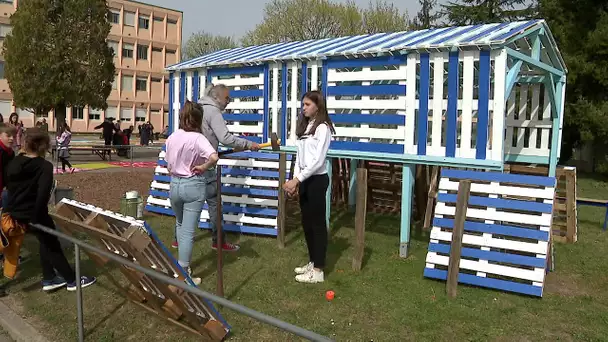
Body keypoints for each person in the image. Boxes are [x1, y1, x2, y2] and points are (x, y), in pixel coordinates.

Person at [2, 128, 97, 293]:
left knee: (45, 241)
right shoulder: (43, 166)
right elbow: (43, 195)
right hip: (33, 213)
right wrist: (36, 218)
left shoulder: (15, 162)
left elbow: (10, 187)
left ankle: (49, 277)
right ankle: (71, 280)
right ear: (43, 146)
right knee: (52, 245)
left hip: (14, 212)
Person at [169, 84, 260, 252]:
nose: (228, 102)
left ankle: (177, 239)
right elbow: (225, 138)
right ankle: (218, 241)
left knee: (184, 210)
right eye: (227, 98)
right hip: (206, 168)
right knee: (215, 204)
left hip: (188, 169)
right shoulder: (213, 111)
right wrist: (249, 144)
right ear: (216, 97)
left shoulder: (196, 109)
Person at [282, 90, 335, 284]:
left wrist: (298, 180)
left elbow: (318, 160)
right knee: (307, 223)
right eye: (303, 104)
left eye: (307, 105)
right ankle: (313, 262)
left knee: (318, 224)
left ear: (318, 106)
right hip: (304, 179)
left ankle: (319, 270)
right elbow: (300, 156)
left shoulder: (323, 128)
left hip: (317, 180)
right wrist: (296, 178)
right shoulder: (306, 127)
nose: (303, 108)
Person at [165, 101, 219, 285]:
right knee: (187, 232)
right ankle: (184, 274)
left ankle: (180, 269)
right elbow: (214, 157)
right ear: (199, 119)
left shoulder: (172, 136)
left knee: (180, 225)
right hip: (192, 185)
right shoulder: (198, 138)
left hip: (175, 186)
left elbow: (168, 165)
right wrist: (203, 166)